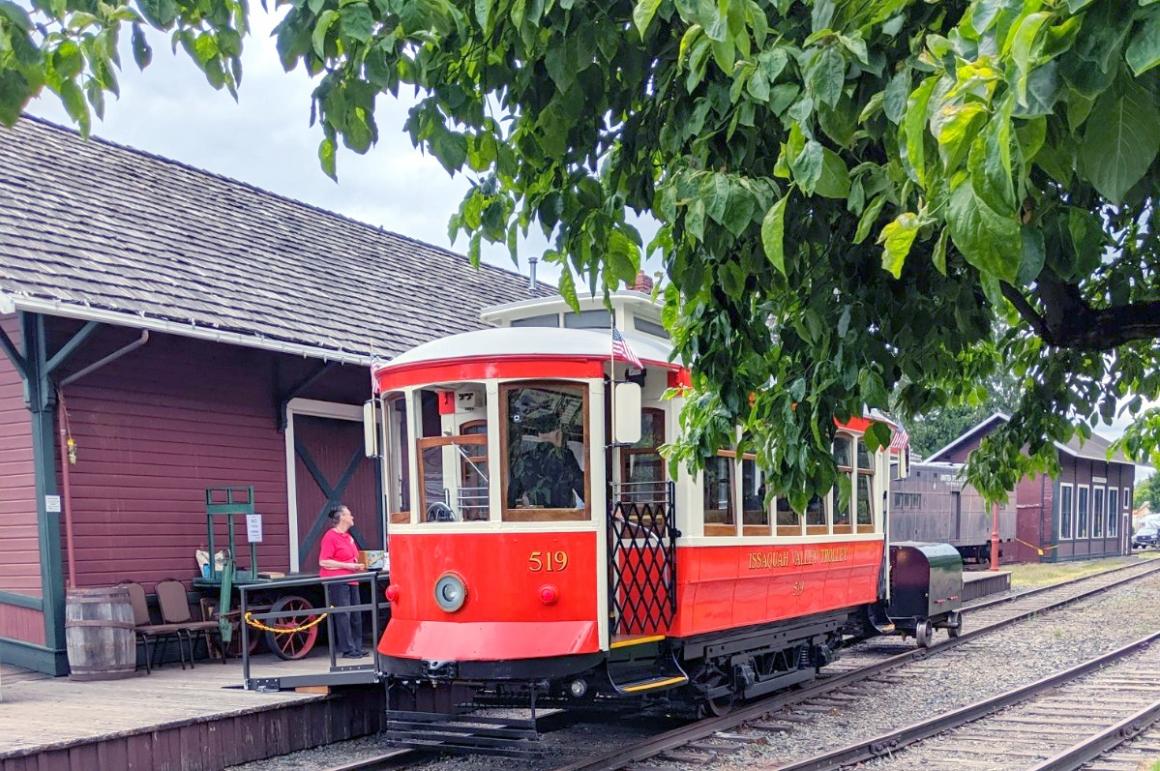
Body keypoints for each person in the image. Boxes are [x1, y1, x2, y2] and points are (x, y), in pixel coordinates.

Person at [318, 504, 367, 659]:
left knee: (356, 615)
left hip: (352, 579)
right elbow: (324, 561)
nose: (352, 517)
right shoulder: (330, 536)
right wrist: (349, 565)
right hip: (338, 580)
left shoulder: (349, 538)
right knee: (343, 615)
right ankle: (348, 649)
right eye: (349, 514)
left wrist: (360, 564)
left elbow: (353, 557)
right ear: (342, 518)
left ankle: (357, 647)